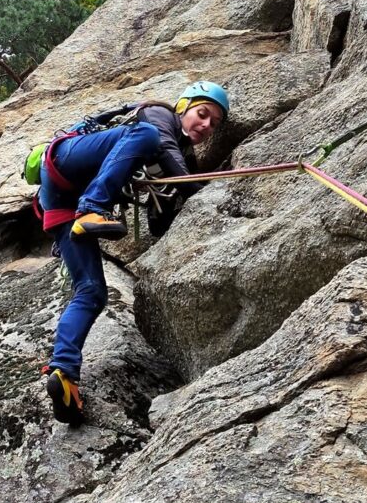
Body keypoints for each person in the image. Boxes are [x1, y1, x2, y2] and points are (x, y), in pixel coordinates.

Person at [38, 81, 229, 426]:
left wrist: (172, 200)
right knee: (144, 134)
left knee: (91, 293)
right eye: (203, 114)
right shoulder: (159, 114)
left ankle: (63, 375)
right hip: (67, 159)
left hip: (59, 204)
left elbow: (159, 220)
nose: (206, 126)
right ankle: (92, 208)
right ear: (184, 106)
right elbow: (163, 146)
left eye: (214, 123)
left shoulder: (173, 158)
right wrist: (200, 189)